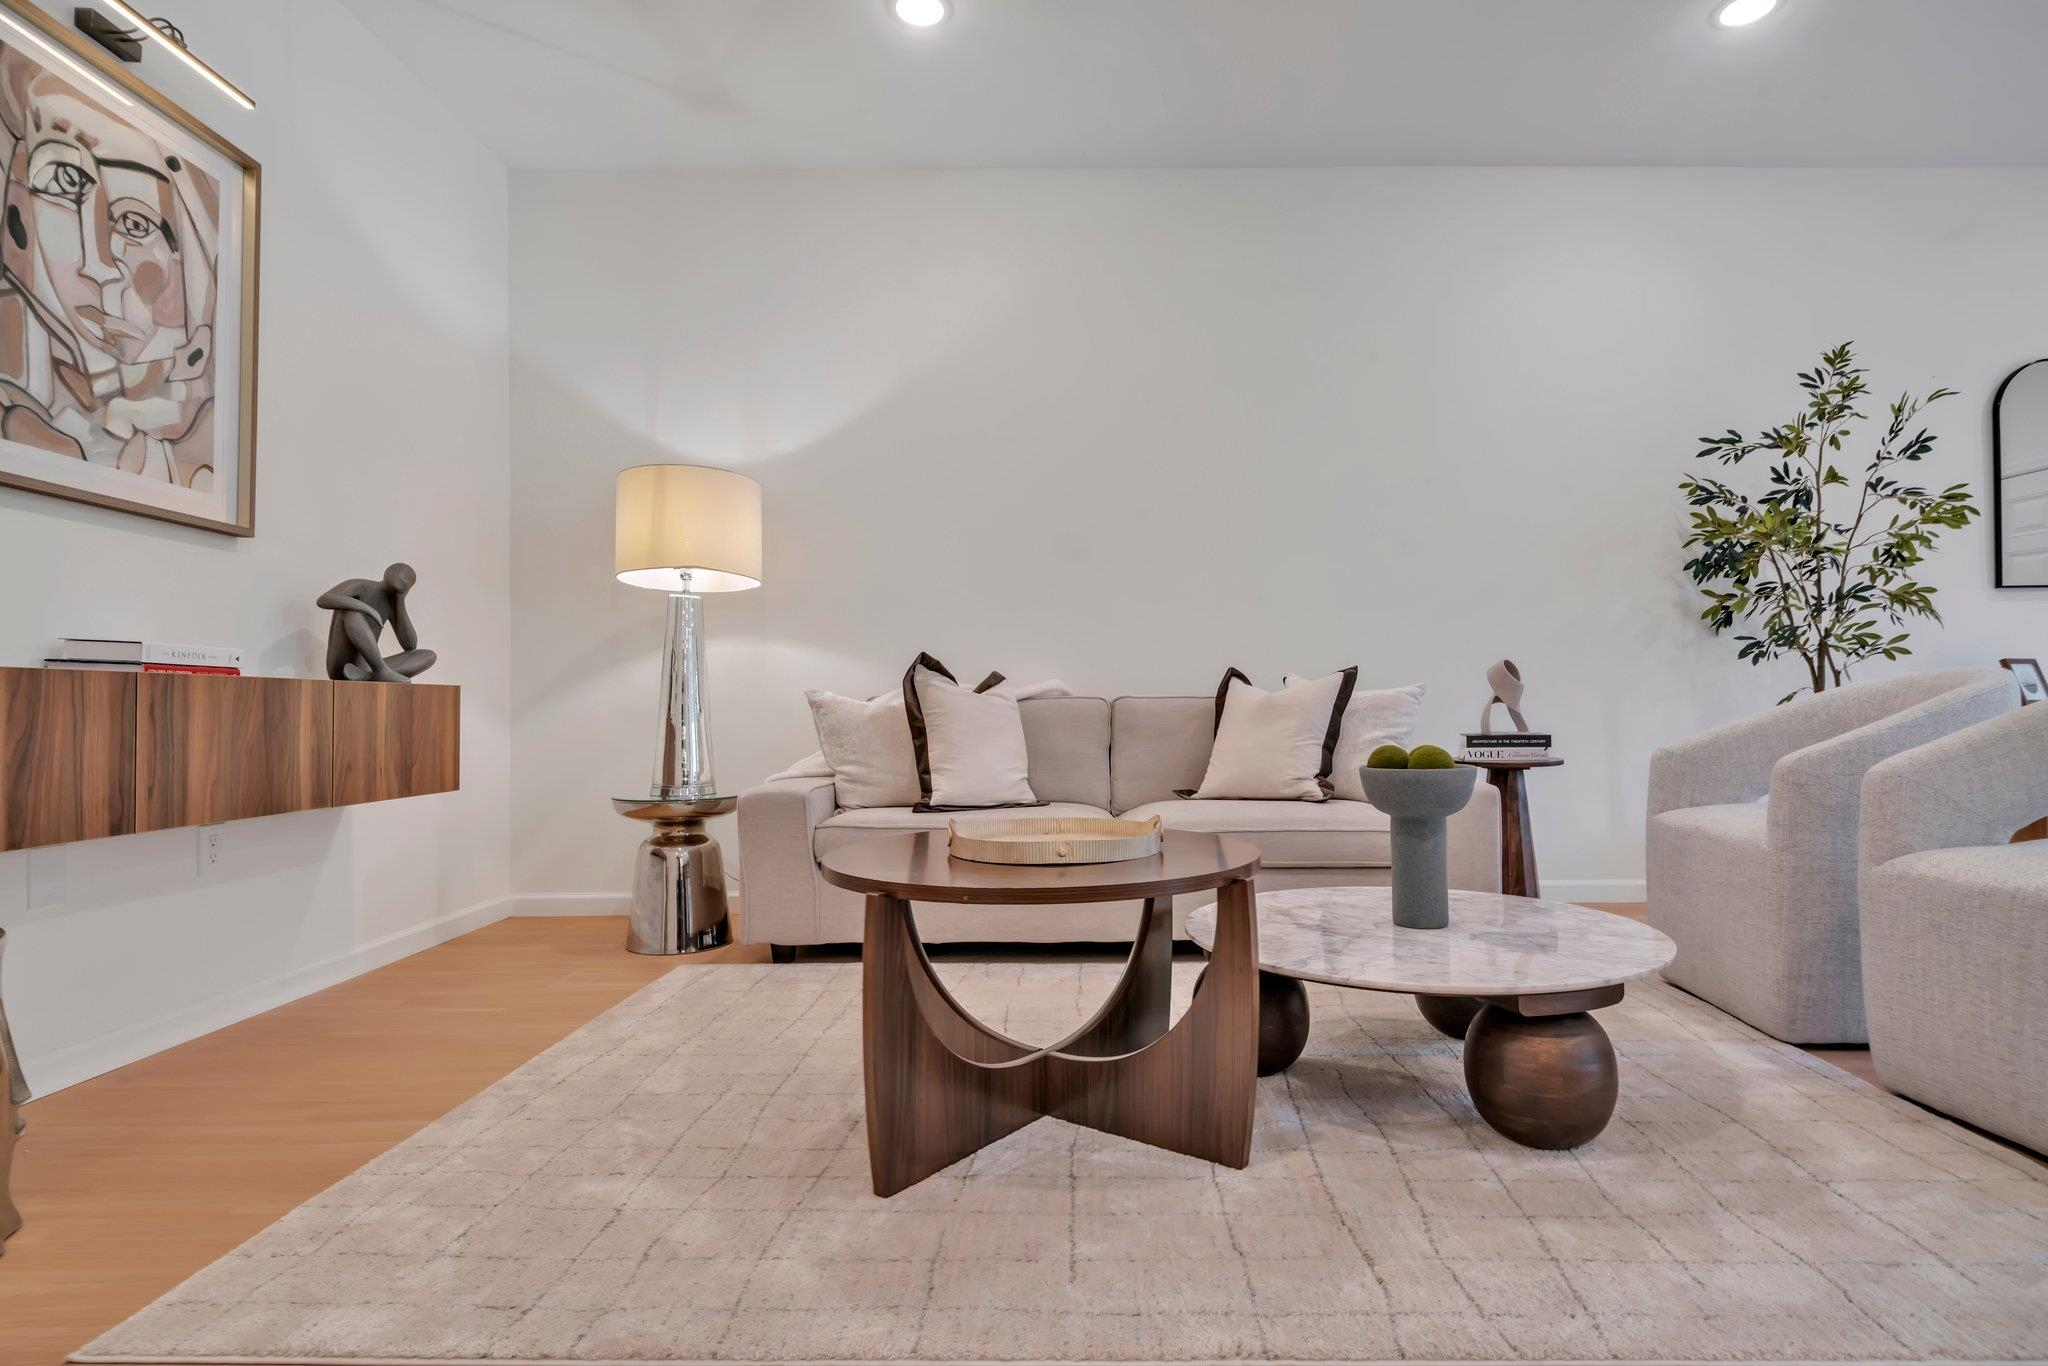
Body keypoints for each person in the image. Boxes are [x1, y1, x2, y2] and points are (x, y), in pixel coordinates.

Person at [319, 564, 436, 683]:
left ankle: (368, 675)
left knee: (427, 655)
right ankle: (380, 670)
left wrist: (400, 600)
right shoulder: (361, 585)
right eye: (402, 574)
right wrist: (367, 609)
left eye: (408, 580)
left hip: (362, 668)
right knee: (351, 610)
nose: (404, 579)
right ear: (388, 572)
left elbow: (410, 645)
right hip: (342, 665)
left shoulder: (393, 603)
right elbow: (324, 599)